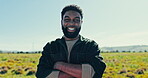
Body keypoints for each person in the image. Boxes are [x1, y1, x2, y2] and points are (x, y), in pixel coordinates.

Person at [36, 5, 106, 78]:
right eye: (67, 20)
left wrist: (60, 65)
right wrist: (80, 73)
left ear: (81, 22)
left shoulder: (90, 45)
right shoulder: (50, 47)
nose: (71, 23)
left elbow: (97, 72)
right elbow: (41, 74)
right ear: (61, 22)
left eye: (76, 20)